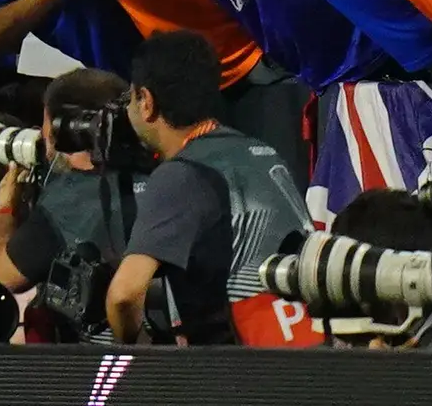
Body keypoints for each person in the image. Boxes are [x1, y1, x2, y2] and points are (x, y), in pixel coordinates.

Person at [106, 27, 317, 345]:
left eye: (131, 98)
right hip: (305, 344)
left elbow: (124, 295)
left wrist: (128, 350)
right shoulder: (260, 150)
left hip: (238, 368)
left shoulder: (182, 172)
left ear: (146, 102)